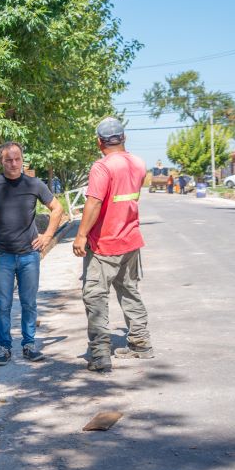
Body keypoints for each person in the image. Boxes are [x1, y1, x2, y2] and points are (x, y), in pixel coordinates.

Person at [0, 142, 64, 366]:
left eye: (17, 159)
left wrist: (48, 236)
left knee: (29, 303)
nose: (13, 163)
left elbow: (57, 209)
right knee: (3, 304)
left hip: (29, 255)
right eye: (8, 159)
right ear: (0, 161)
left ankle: (29, 345)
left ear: (22, 160)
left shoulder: (34, 184)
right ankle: (4, 347)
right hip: (2, 256)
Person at [72, 117, 153, 373]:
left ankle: (100, 355)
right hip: (130, 240)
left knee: (95, 296)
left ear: (99, 142)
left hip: (104, 244)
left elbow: (94, 202)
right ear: (124, 138)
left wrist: (81, 235)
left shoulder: (102, 167)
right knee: (129, 291)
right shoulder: (138, 163)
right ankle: (141, 343)